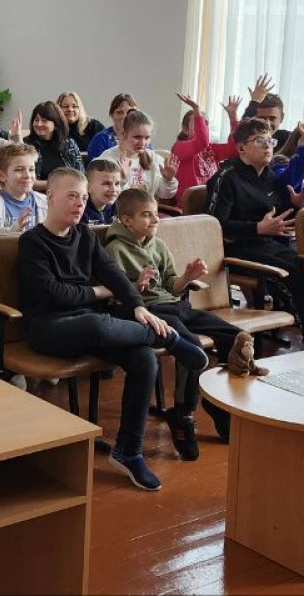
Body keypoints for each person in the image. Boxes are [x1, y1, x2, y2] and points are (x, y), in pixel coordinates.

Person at [19, 168, 209, 491]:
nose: (79, 203)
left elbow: (113, 275)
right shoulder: (32, 242)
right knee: (98, 322)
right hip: (47, 327)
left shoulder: (84, 235)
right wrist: (98, 293)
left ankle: (129, 451)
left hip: (89, 322)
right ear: (50, 197)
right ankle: (170, 338)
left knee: (144, 359)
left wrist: (137, 306)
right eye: (71, 196)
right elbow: (54, 294)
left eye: (83, 197)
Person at [104, 188, 243, 455]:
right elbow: (116, 294)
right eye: (146, 215)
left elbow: (172, 285)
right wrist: (136, 285)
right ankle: (183, 412)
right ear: (127, 220)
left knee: (235, 336)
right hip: (151, 311)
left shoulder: (158, 244)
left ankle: (217, 400)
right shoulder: (115, 249)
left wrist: (187, 277)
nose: (155, 219)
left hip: (177, 306)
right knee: (192, 346)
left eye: (156, 213)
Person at [208, 119, 304, 341]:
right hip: (236, 249)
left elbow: (276, 215)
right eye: (259, 141)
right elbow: (214, 225)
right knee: (294, 271)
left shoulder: (270, 176)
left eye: (270, 141)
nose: (268, 146)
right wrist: (257, 228)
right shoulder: (226, 177)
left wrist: (296, 205)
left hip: (266, 244)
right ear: (241, 147)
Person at [241, 71, 304, 148]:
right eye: (261, 118)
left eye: (272, 118)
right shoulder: (247, 141)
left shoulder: (287, 140)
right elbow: (241, 132)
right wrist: (254, 102)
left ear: (282, 118)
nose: (267, 123)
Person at [171, 94, 240, 194]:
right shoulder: (179, 147)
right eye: (198, 122)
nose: (203, 126)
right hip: (190, 202)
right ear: (185, 130)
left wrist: (233, 117)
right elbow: (201, 142)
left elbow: (235, 148)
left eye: (206, 123)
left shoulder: (211, 148)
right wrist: (196, 109)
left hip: (211, 199)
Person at [107, 110, 179, 202]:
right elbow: (105, 200)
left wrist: (168, 179)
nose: (142, 143)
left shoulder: (153, 158)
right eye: (137, 137)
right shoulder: (109, 159)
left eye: (147, 137)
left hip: (148, 209)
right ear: (124, 134)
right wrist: (122, 180)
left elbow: (165, 195)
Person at [0, 142, 48, 233]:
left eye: (31, 169)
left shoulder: (45, 201)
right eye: (19, 170)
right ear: (1, 175)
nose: (27, 175)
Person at [23, 100, 84, 179]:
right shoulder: (26, 145)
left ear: (56, 124)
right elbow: (27, 181)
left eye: (44, 121)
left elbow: (81, 176)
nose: (39, 124)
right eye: (36, 120)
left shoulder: (69, 144)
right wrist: (56, 184)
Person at [85, 94, 137, 159]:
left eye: (130, 112)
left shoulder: (143, 137)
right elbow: (96, 164)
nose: (124, 117)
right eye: (119, 112)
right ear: (112, 115)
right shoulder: (101, 139)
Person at [57, 91, 104, 156]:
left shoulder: (94, 125)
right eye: (65, 106)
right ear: (58, 109)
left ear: (80, 108)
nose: (70, 109)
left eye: (74, 106)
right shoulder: (54, 128)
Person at [81, 158, 123, 226]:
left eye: (117, 184)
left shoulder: (120, 208)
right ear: (88, 187)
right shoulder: (79, 211)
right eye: (106, 183)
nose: (113, 189)